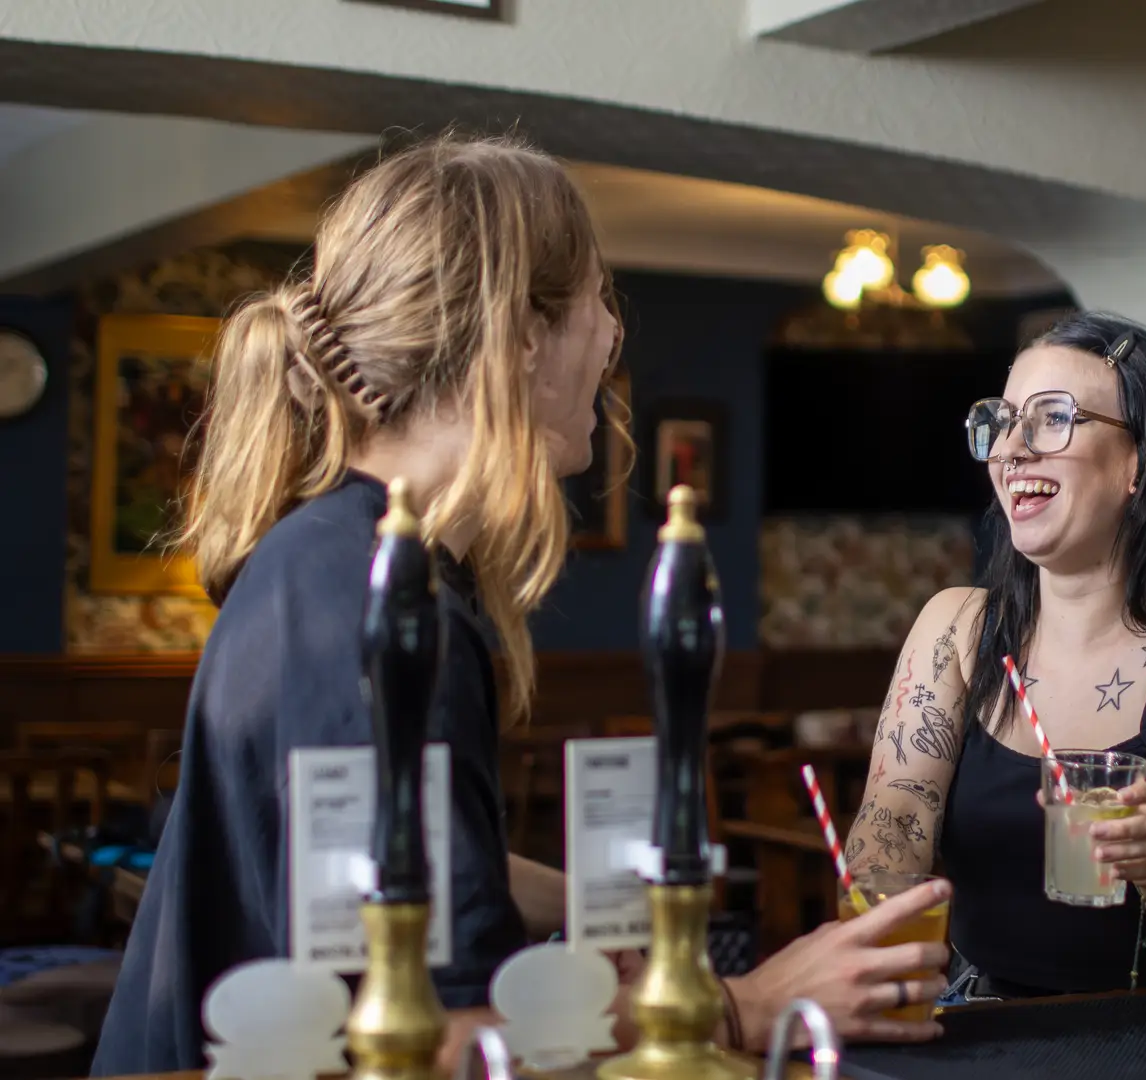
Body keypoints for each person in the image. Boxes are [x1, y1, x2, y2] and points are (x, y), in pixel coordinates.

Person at [92, 133, 948, 1078]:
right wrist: (748, 1004)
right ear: (525, 336)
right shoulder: (377, 607)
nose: (613, 337)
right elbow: (437, 1040)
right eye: (598, 300)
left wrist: (592, 902)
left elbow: (393, 866)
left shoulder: (348, 556)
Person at [843, 311, 1146, 1001]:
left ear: (1139, 464)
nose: (1011, 449)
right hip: (977, 1026)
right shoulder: (957, 630)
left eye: (1052, 418)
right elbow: (890, 839)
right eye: (1002, 421)